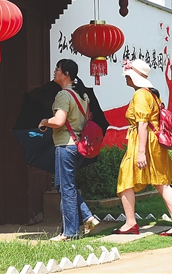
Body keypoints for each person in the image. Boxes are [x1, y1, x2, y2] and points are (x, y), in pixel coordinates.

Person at [114, 59, 172, 238]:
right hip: (155, 143)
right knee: (162, 183)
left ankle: (131, 223)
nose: (125, 78)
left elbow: (143, 124)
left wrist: (140, 152)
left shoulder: (140, 95)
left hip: (143, 142)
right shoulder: (152, 94)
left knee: (125, 179)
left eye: (128, 75)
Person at [38, 59, 99, 241]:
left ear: (66, 74)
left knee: (66, 188)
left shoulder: (63, 95)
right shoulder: (82, 96)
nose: (55, 72)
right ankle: (87, 217)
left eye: (57, 69)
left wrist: (44, 122)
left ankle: (70, 232)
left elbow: (59, 121)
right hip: (77, 145)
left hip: (66, 145)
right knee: (63, 185)